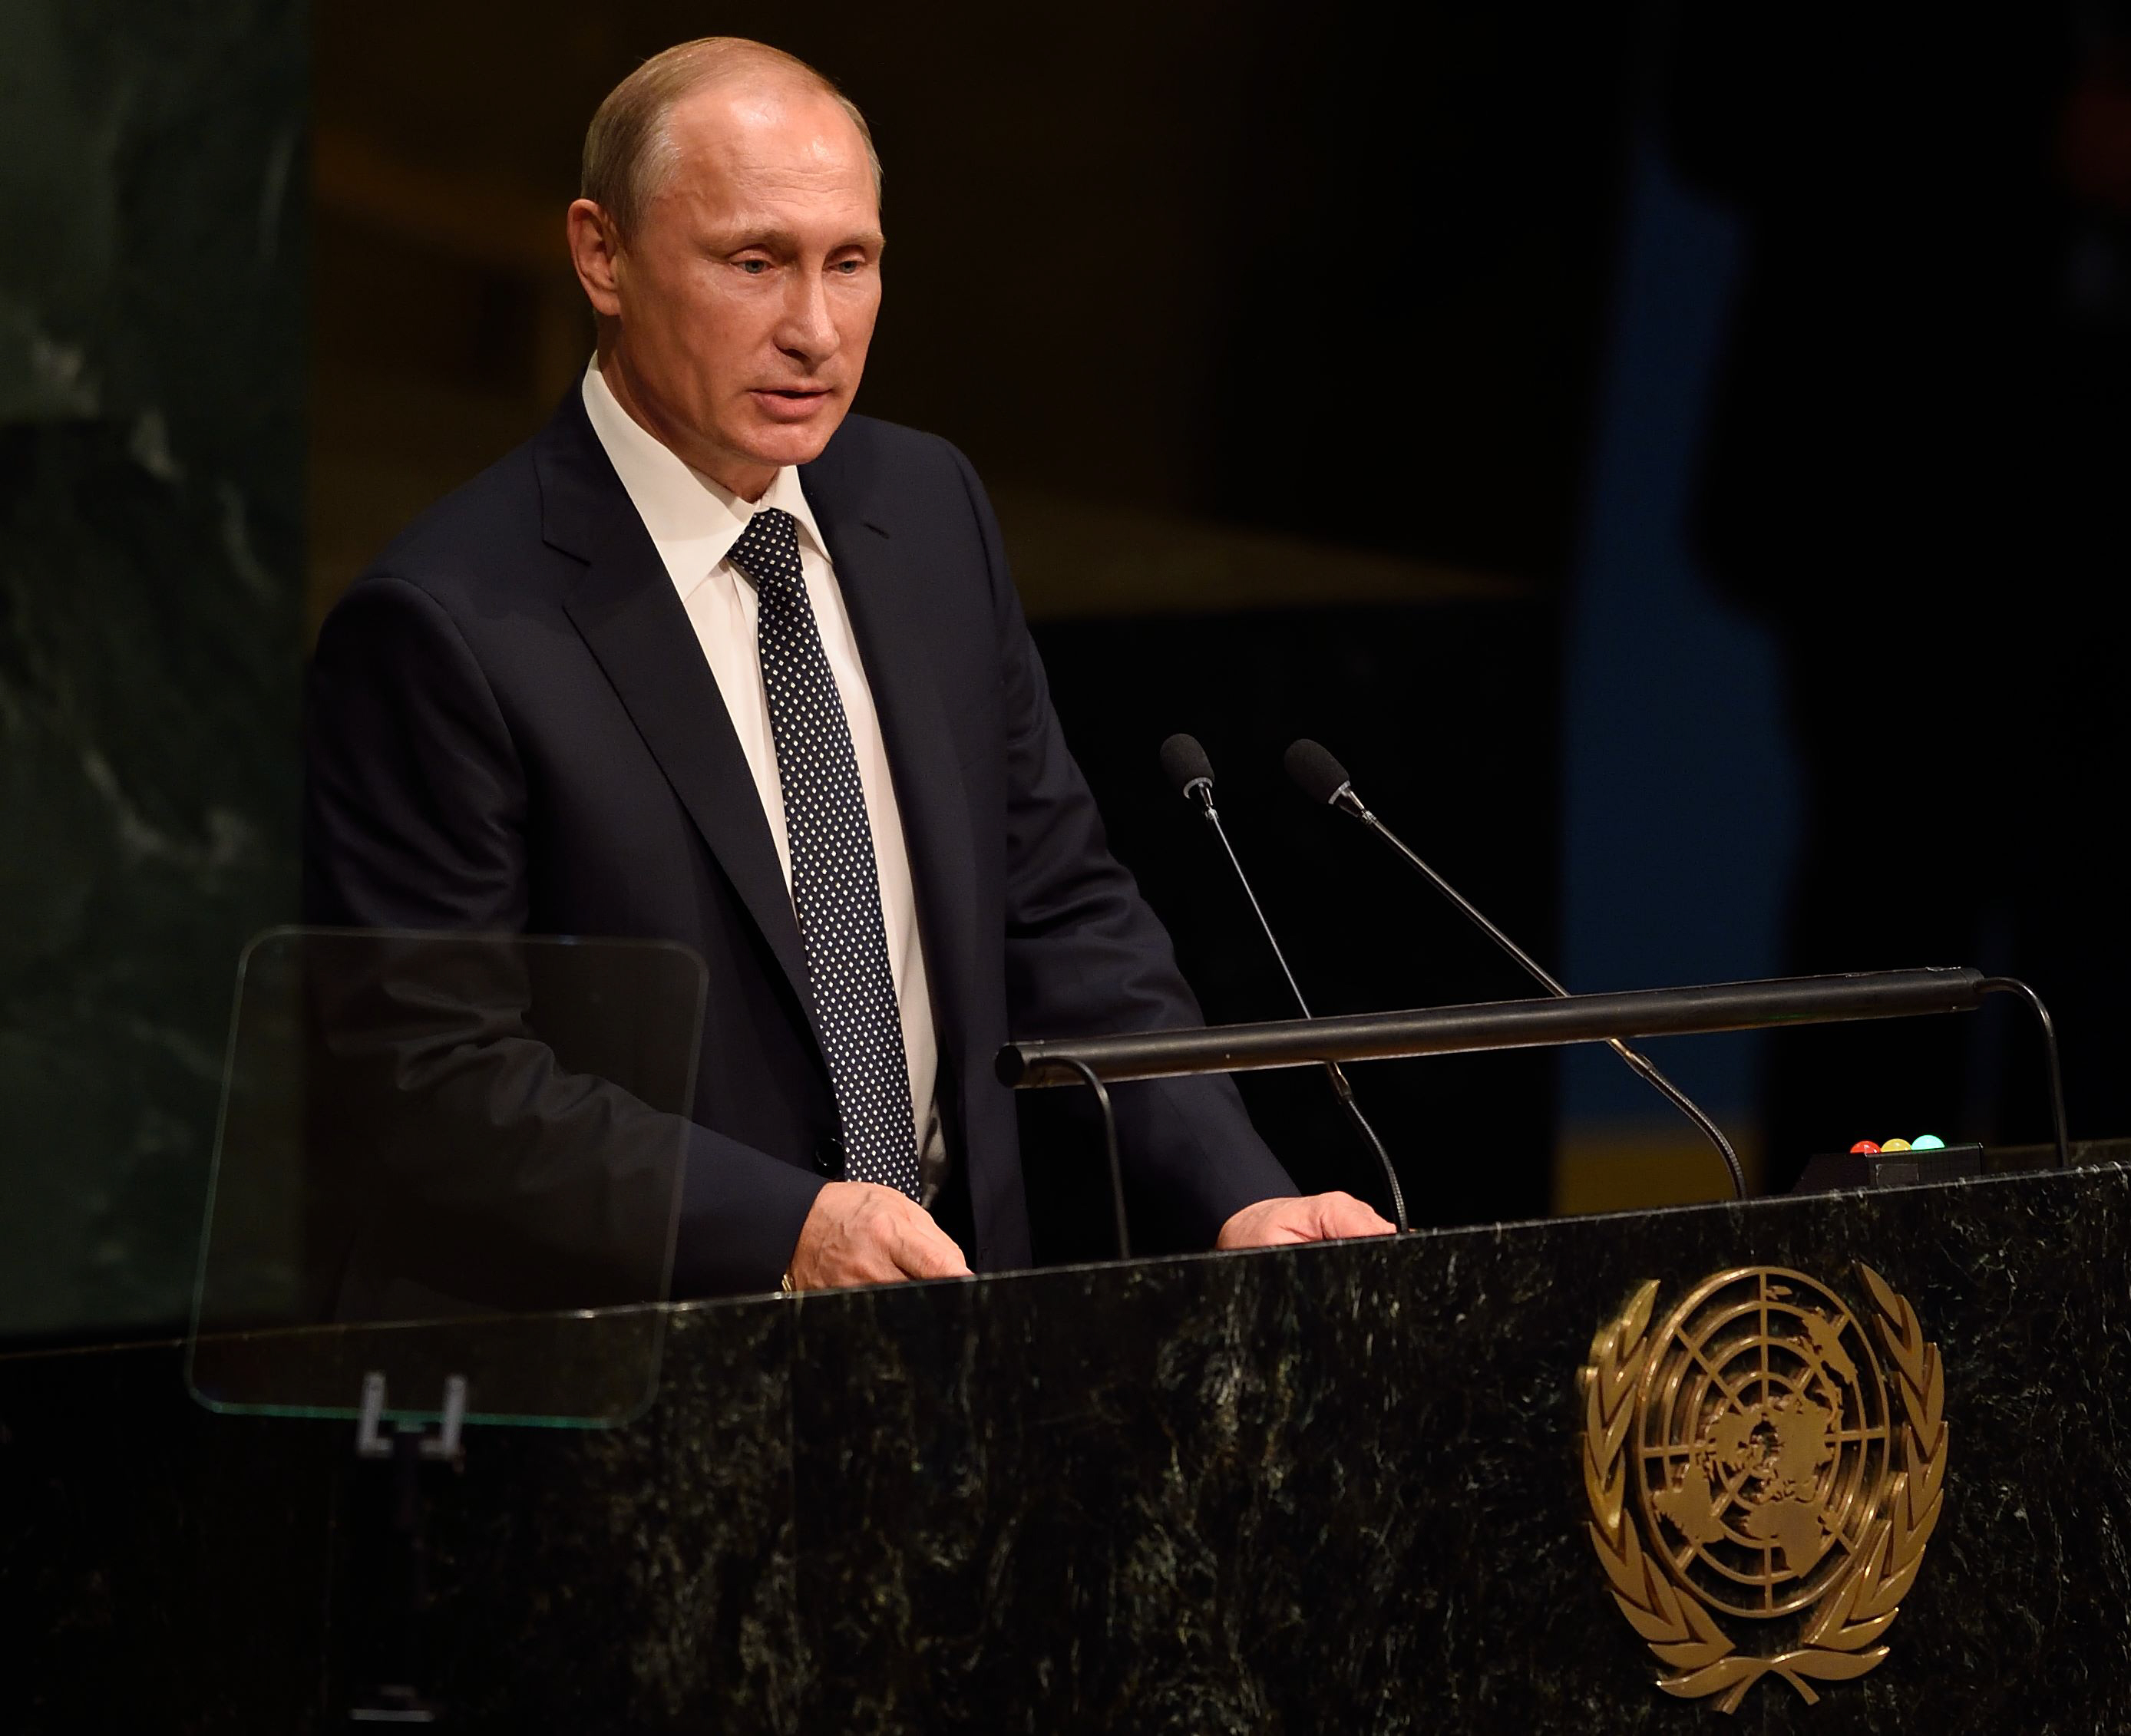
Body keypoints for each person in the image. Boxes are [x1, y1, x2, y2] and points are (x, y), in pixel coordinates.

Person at [303, 37, 1391, 1297]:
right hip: (656, 1383)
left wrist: (1236, 1192)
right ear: (602, 254)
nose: (814, 330)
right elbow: (429, 1075)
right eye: (753, 263)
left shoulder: (925, 508)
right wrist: (787, 1227)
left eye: (852, 264)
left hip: (962, 1334)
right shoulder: (446, 621)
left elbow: (1061, 916)